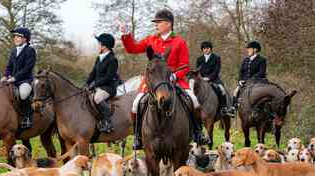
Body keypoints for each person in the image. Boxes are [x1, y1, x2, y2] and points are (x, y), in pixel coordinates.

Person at [120, 9, 206, 150]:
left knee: (194, 101)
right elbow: (132, 49)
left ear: (168, 24)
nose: (156, 25)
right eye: (156, 23)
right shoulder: (151, 40)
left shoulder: (180, 42)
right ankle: (138, 137)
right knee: (136, 104)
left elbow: (185, 66)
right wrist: (126, 35)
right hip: (154, 82)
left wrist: (174, 76)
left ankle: (198, 132)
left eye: (159, 22)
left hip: (175, 80)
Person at [85, 33, 119, 133]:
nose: (98, 45)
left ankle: (109, 123)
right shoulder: (99, 58)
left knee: (97, 98)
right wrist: (86, 84)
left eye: (99, 43)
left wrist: (95, 84)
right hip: (98, 87)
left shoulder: (113, 60)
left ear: (104, 46)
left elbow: (109, 77)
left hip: (108, 88)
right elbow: (93, 73)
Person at [2, 27, 36, 129]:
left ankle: (27, 118)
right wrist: (5, 76)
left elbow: (27, 68)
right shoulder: (13, 51)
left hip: (25, 80)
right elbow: (9, 66)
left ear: (25, 39)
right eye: (15, 36)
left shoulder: (30, 50)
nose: (15, 38)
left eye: (18, 36)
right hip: (12, 80)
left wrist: (15, 78)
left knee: (23, 94)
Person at [196, 41, 235, 117]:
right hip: (202, 80)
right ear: (202, 49)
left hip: (214, 79)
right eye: (204, 48)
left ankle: (224, 108)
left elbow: (216, 71)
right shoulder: (199, 59)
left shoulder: (216, 58)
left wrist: (209, 78)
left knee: (222, 90)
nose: (206, 50)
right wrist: (200, 78)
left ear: (210, 49)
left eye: (207, 48)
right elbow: (197, 71)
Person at [232, 41, 267, 110]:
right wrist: (240, 80)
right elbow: (241, 72)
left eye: (249, 49)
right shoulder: (245, 60)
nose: (247, 50)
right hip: (245, 82)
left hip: (258, 81)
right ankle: (233, 109)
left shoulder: (262, 60)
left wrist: (250, 79)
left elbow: (261, 72)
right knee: (235, 91)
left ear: (255, 50)